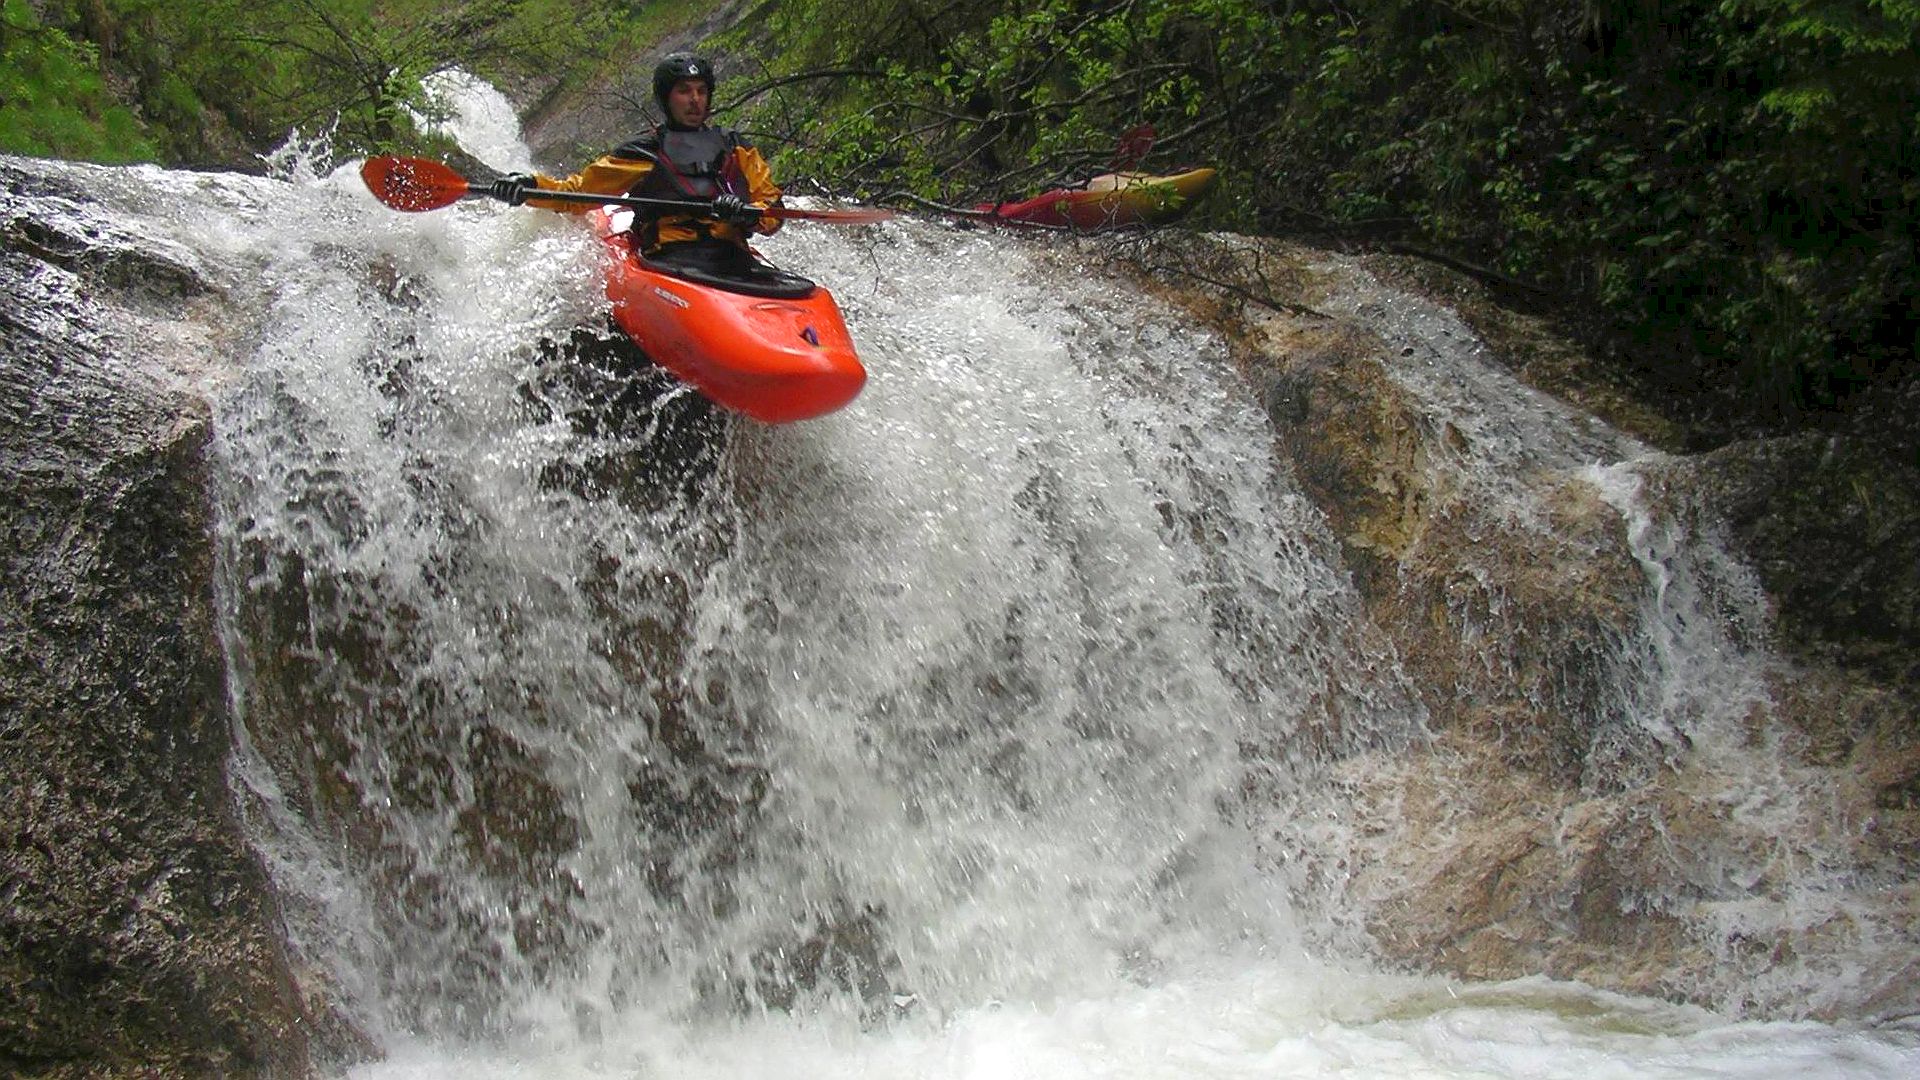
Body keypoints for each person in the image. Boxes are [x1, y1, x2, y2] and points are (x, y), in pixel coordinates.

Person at [489, 52, 783, 280]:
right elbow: (576, 194)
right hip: (670, 257)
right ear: (666, 98)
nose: (695, 100)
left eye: (701, 91)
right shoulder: (645, 151)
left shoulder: (735, 146)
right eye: (684, 91)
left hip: (731, 258)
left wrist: (747, 216)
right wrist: (528, 187)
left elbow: (772, 207)